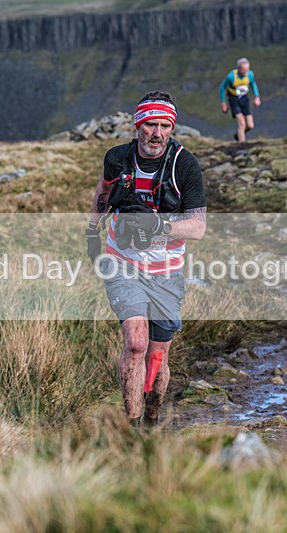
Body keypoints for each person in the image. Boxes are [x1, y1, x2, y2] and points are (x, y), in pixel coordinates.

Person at [86, 91, 207, 427]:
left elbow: (198, 227)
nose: (157, 133)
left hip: (166, 271)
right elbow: (103, 192)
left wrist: (156, 227)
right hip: (122, 262)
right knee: (136, 343)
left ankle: (152, 422)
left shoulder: (185, 165)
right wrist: (92, 233)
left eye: (165, 125)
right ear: (138, 125)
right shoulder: (117, 159)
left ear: (172, 127)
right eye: (150, 124)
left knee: (156, 355)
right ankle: (133, 426)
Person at [219, 58, 261, 142]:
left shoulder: (250, 74)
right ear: (239, 68)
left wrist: (257, 97)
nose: (245, 72)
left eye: (247, 69)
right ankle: (242, 145)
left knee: (250, 125)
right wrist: (223, 103)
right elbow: (222, 88)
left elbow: (253, 84)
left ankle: (238, 135)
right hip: (234, 99)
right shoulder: (231, 76)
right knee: (242, 123)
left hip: (244, 99)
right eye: (243, 70)